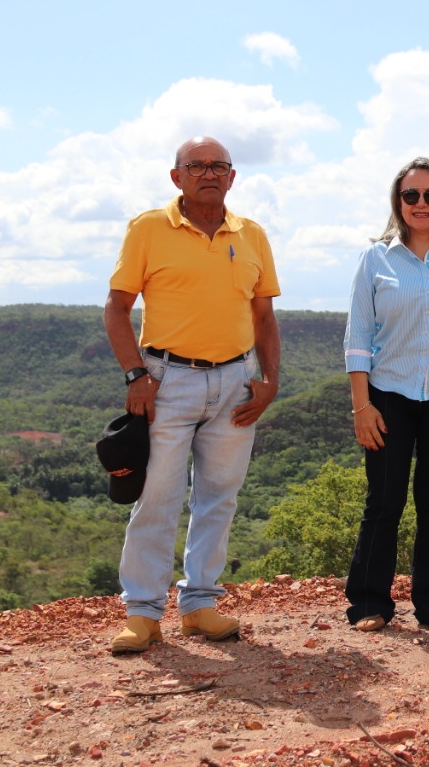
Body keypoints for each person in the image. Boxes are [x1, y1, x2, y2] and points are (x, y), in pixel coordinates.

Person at [103, 136, 281, 654]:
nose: (208, 173)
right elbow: (117, 308)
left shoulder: (251, 234)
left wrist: (268, 381)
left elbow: (264, 316)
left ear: (231, 177)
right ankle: (142, 612)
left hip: (236, 382)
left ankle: (200, 604)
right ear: (176, 176)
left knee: (218, 498)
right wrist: (136, 376)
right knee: (157, 496)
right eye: (196, 165)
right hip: (167, 380)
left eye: (218, 165)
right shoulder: (148, 228)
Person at [343, 158, 429, 632]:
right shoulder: (375, 259)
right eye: (410, 195)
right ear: (397, 202)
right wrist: (361, 406)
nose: (420, 204)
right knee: (383, 499)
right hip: (387, 395)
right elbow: (358, 335)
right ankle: (368, 603)